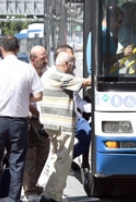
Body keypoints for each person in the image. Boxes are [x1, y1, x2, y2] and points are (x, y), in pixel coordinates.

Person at [0, 35, 43, 202]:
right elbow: (38, 95)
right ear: (18, 49)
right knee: (17, 164)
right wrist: (23, 98)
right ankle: (14, 199)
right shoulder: (28, 69)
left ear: (1, 49)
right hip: (18, 122)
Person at [39, 52, 91, 202]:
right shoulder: (60, 76)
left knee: (56, 159)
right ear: (67, 64)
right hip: (62, 126)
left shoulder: (49, 75)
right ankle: (51, 196)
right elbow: (86, 82)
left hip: (53, 125)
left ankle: (52, 192)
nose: (74, 67)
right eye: (73, 64)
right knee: (63, 161)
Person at [54, 45, 92, 173]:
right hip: (61, 118)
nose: (73, 59)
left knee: (88, 135)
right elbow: (86, 82)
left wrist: (89, 108)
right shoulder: (54, 75)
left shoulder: (72, 74)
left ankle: (68, 160)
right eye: (70, 57)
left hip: (75, 117)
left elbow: (77, 99)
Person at [22, 45, 51, 202]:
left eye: (46, 57)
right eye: (42, 58)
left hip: (46, 122)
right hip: (31, 120)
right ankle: (30, 191)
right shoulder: (26, 74)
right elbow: (23, 99)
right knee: (30, 157)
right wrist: (40, 113)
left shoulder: (49, 73)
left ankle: (39, 188)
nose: (46, 60)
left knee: (43, 155)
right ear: (33, 60)